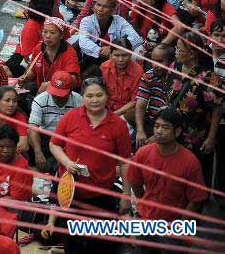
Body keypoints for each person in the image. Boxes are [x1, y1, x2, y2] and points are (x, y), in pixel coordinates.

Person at [48, 78, 132, 254]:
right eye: (90, 96)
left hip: (100, 194)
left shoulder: (118, 125)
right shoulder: (71, 116)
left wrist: (126, 194)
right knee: (71, 243)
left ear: (107, 97)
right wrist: (66, 162)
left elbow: (124, 161)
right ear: (82, 97)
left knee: (99, 245)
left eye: (99, 95)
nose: (95, 100)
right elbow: (54, 144)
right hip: (70, 194)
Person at [126, 108, 208, 237]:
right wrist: (144, 203)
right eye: (156, 126)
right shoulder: (143, 153)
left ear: (177, 132)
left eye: (165, 127)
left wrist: (182, 222)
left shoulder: (190, 162)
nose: (159, 131)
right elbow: (135, 182)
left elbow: (196, 199)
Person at [166, 32, 222, 181]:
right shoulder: (174, 67)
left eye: (179, 49)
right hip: (172, 132)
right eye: (176, 48)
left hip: (195, 136)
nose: (175, 52)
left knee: (193, 176)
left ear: (192, 54)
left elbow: (216, 108)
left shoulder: (208, 77)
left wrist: (211, 137)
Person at [29, 72, 82, 173]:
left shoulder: (79, 101)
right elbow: (33, 126)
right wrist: (38, 152)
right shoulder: (40, 100)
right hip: (45, 137)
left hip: (69, 139)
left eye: (61, 94)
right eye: (55, 93)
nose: (57, 97)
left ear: (70, 91)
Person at [77, 0, 143, 66]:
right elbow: (83, 41)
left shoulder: (119, 21)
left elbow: (136, 38)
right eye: (98, 5)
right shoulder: (87, 21)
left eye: (105, 7)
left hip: (116, 60)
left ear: (113, 10)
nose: (100, 9)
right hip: (92, 61)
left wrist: (112, 49)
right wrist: (101, 51)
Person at [135, 44, 175, 147]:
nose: (155, 65)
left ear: (170, 62)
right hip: (152, 121)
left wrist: (157, 136)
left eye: (160, 61)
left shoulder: (176, 79)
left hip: (171, 124)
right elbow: (140, 105)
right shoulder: (148, 76)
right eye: (153, 61)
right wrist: (140, 131)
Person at [99, 38, 143, 125]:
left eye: (124, 55)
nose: (120, 59)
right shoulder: (103, 67)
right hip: (105, 108)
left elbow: (135, 101)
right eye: (116, 55)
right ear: (110, 54)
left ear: (130, 54)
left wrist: (115, 114)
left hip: (126, 112)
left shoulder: (138, 71)